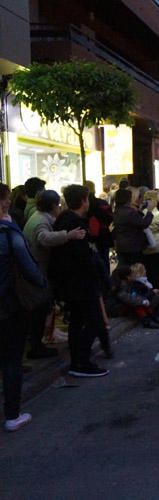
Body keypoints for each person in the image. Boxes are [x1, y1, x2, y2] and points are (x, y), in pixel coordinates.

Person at [1, 183, 48, 432]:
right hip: (9, 304)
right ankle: (12, 415)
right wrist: (42, 285)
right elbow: (28, 267)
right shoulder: (8, 233)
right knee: (11, 359)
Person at [49, 185, 109, 378]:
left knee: (77, 321)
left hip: (71, 283)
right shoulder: (74, 223)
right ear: (84, 200)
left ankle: (78, 361)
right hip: (81, 283)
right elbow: (82, 256)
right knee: (93, 321)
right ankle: (82, 360)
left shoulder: (64, 219)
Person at [22, 189, 85, 359]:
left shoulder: (38, 217)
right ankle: (36, 345)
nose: (59, 208)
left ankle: (38, 343)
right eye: (57, 204)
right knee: (39, 310)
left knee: (41, 309)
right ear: (52, 205)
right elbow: (44, 238)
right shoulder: (41, 221)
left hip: (37, 270)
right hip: (38, 271)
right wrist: (68, 235)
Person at [113, 188, 154, 266]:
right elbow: (143, 224)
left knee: (125, 267)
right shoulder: (129, 212)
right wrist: (149, 211)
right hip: (133, 246)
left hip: (121, 245)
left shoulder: (117, 211)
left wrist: (139, 210)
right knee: (135, 268)